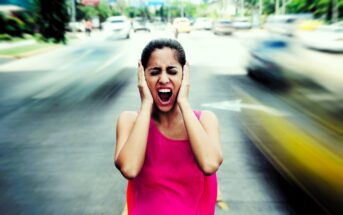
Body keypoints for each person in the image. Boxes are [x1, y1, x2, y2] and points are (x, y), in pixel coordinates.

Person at [115, 38, 223, 215]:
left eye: (172, 71)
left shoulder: (205, 120)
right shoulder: (129, 121)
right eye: (154, 72)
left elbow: (210, 164)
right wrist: (146, 103)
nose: (163, 79)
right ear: (142, 76)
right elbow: (130, 168)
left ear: (184, 75)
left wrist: (183, 103)